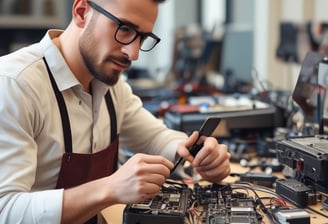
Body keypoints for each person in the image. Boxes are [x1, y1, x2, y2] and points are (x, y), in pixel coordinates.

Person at [0, 0, 231, 223]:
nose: (133, 53)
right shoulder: (14, 85)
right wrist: (109, 188)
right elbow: (5, 210)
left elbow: (155, 137)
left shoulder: (111, 86)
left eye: (143, 37)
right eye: (125, 29)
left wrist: (196, 154)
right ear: (82, 12)